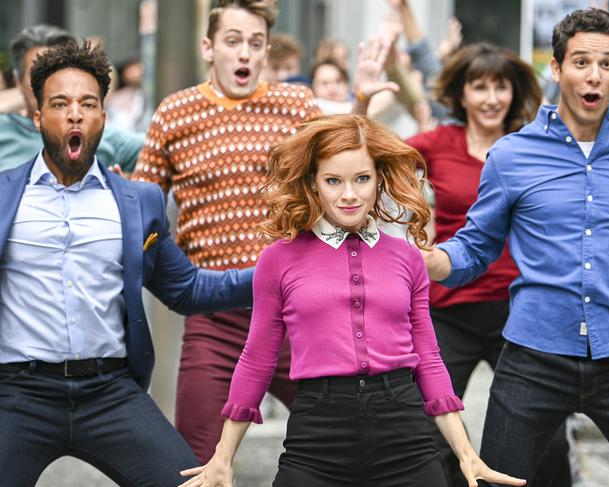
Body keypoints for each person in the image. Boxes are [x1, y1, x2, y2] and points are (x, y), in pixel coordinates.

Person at [179, 114, 526, 487]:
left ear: (379, 179)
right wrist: (223, 456)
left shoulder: (408, 257)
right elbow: (257, 358)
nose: (349, 194)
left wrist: (465, 453)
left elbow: (427, 356)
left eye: (362, 178)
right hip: (317, 434)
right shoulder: (277, 260)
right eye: (333, 181)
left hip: (404, 432)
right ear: (313, 183)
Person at [133, 0, 397, 464]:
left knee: (354, 440)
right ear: (208, 47)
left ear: (266, 50)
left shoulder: (295, 104)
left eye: (255, 44)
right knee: (197, 461)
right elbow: (143, 207)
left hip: (297, 311)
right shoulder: (175, 113)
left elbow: (343, 165)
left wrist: (360, 103)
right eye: (233, 42)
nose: (244, 55)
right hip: (214, 316)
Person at [0, 40, 255, 486]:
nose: (74, 114)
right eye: (60, 104)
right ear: (38, 117)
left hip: (109, 391)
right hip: (17, 394)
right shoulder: (4, 195)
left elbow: (186, 289)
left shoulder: (138, 201)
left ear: (103, 116)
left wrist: (277, 271)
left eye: (88, 103)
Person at [422, 8, 609, 486]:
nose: (594, 75)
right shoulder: (512, 155)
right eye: (581, 62)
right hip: (533, 358)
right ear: (557, 68)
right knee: (499, 480)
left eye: (607, 64)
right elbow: (475, 248)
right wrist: (432, 260)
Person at [406, 43, 573, 487]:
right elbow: (364, 159)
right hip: (447, 309)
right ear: (461, 95)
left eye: (501, 87)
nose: (491, 98)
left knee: (549, 441)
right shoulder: (436, 144)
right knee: (431, 434)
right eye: (479, 87)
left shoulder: (534, 144)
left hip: (518, 311)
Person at [0, 24, 144, 172]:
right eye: (38, 76)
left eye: (61, 74)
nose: (53, 85)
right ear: (18, 81)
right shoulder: (4, 130)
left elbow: (161, 146)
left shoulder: (98, 135)